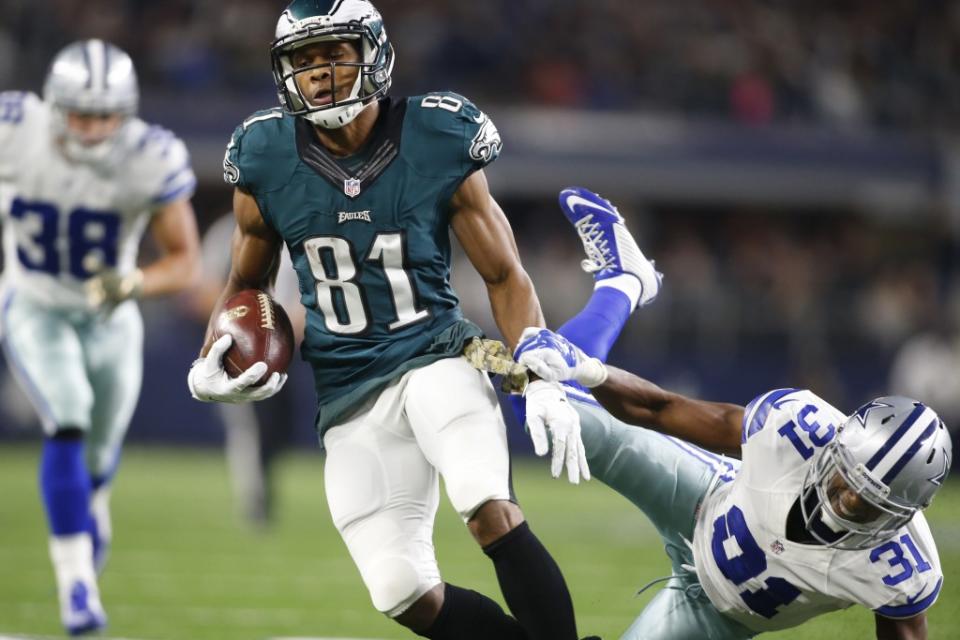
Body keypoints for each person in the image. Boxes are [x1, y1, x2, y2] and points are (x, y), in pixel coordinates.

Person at [187, 2, 591, 639]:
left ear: (371, 51)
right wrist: (216, 350)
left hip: (438, 356)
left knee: (487, 508)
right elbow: (245, 285)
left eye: (334, 54)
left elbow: (506, 274)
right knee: (401, 590)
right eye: (303, 60)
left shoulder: (435, 134)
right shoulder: (264, 154)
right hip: (348, 390)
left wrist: (536, 367)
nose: (319, 73)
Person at [510, 187, 952, 639]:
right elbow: (661, 408)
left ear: (902, 515)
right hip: (698, 498)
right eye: (845, 480)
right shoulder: (796, 427)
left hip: (716, 618)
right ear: (836, 446)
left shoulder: (902, 571)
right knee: (539, 396)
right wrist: (588, 370)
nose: (844, 502)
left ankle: (623, 284)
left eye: (867, 506)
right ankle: (625, 281)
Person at [0, 40, 201, 635]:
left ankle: (91, 508)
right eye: (81, 113)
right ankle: (76, 587)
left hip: (111, 317)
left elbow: (185, 261)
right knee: (67, 416)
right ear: (54, 105)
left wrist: (134, 281)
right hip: (36, 304)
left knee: (98, 458)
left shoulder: (149, 155)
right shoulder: (14, 128)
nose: (92, 129)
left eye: (105, 114)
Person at [187, 211, 305, 526]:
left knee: (280, 428)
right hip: (243, 351)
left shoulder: (299, 225)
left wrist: (286, 326)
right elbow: (204, 292)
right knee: (249, 427)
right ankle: (254, 501)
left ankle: (264, 492)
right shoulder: (227, 231)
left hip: (293, 347)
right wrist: (241, 326)